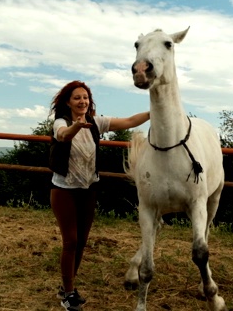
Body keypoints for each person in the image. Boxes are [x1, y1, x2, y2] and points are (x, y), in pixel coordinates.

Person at [48, 80, 149, 311]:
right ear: (68, 102)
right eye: (77, 98)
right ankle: (69, 294)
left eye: (85, 97)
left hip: (89, 189)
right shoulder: (61, 122)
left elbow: (130, 121)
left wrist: (155, 111)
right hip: (64, 189)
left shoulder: (96, 122)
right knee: (70, 241)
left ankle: (66, 288)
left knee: (81, 241)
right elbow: (63, 135)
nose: (82, 101)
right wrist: (76, 127)